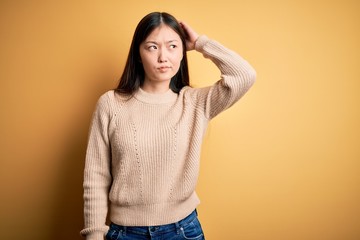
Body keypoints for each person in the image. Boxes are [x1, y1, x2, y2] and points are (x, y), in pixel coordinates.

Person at [80, 11, 256, 240]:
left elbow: (245, 75)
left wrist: (201, 44)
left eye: (173, 46)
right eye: (152, 47)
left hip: (182, 231)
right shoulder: (111, 104)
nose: (164, 56)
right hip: (125, 233)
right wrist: (94, 235)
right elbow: (96, 176)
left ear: (183, 52)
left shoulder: (195, 103)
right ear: (138, 53)